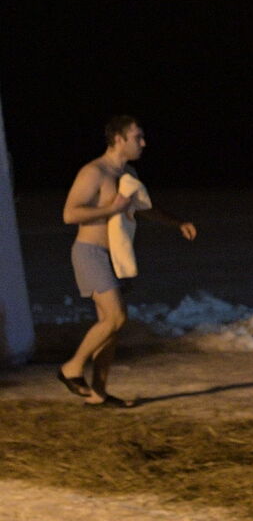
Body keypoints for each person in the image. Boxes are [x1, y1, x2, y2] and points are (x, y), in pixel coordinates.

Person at [57, 116, 198, 407]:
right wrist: (112, 208)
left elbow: (144, 208)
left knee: (110, 326)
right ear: (119, 139)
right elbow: (70, 214)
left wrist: (177, 222)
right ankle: (70, 368)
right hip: (90, 253)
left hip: (114, 258)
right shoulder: (94, 171)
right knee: (116, 317)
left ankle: (98, 394)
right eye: (138, 137)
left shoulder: (128, 173)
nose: (143, 143)